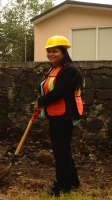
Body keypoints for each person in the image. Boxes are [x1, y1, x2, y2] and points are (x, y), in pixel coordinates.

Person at [34, 35, 83, 196]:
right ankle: (72, 181)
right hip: (55, 113)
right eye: (48, 51)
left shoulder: (70, 70)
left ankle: (62, 187)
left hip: (65, 115)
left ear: (63, 52)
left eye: (54, 51)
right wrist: (41, 101)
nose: (50, 54)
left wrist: (41, 100)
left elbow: (60, 91)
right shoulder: (54, 69)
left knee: (60, 151)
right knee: (63, 149)